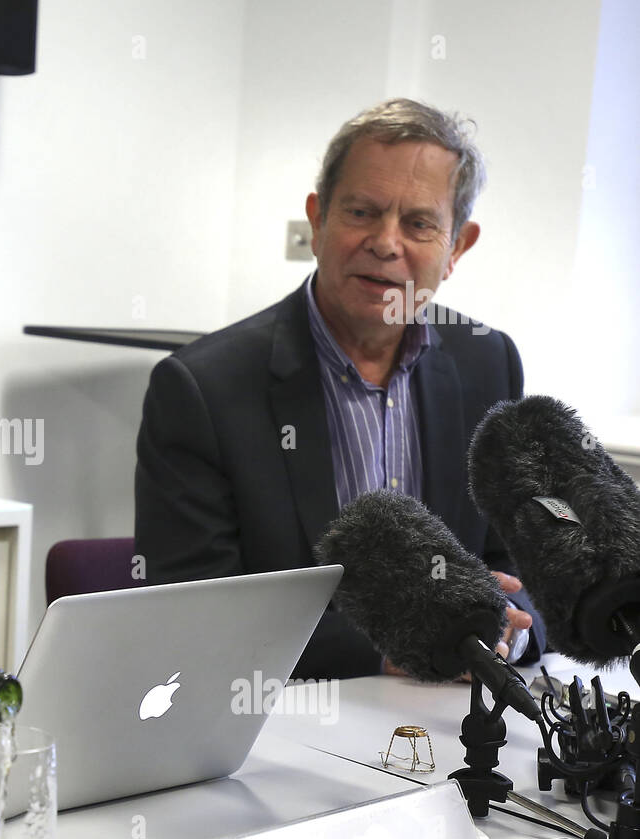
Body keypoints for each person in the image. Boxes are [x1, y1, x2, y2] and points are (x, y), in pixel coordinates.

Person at [135, 98, 543, 680]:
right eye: (361, 212)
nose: (385, 242)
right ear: (318, 220)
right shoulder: (203, 387)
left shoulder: (488, 362)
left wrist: (508, 633)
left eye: (419, 223)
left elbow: (525, 569)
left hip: (456, 715)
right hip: (283, 723)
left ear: (457, 247)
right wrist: (394, 650)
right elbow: (191, 608)